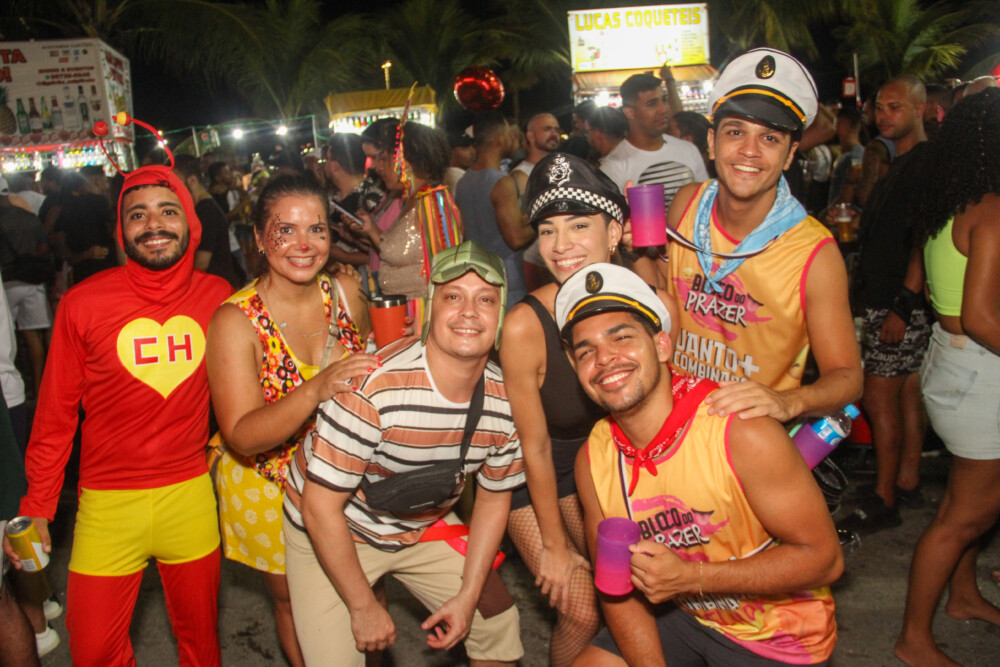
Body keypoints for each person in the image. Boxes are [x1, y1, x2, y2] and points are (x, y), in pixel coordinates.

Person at [2, 140, 232, 666]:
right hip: (106, 506)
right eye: (137, 214)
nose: (154, 225)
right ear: (120, 231)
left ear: (190, 223)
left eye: (168, 211)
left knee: (201, 648)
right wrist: (38, 505)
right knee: (92, 652)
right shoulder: (82, 303)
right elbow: (55, 414)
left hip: (190, 498)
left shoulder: (219, 296)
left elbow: (251, 386)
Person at [556, 263, 843, 666]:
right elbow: (616, 587)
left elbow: (824, 559)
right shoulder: (594, 459)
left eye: (622, 337)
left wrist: (693, 578)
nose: (605, 358)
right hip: (683, 616)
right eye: (586, 351)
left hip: (776, 634)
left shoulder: (741, 432)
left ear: (661, 346)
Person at [282, 241, 525, 666]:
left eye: (486, 300)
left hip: (419, 524)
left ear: (502, 315)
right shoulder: (373, 389)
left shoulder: (506, 403)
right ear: (429, 308)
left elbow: (492, 498)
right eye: (453, 297)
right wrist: (362, 606)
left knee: (496, 621)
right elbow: (320, 509)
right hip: (334, 529)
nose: (469, 312)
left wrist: (468, 596)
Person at [501, 151, 678, 666]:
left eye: (579, 225)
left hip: (611, 469)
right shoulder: (525, 324)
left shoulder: (654, 307)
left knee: (635, 591)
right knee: (580, 607)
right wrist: (555, 547)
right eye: (548, 230)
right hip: (540, 475)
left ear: (614, 231)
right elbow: (533, 446)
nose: (561, 245)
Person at [207, 174, 378, 666]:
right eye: (286, 230)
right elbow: (242, 434)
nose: (304, 244)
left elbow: (370, 373)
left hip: (347, 472)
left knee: (367, 588)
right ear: (259, 239)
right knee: (296, 601)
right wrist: (316, 389)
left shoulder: (347, 294)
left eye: (317, 229)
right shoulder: (234, 322)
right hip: (268, 482)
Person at [661, 48, 862, 422]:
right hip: (675, 421)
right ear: (711, 142)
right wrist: (630, 247)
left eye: (769, 138)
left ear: (789, 155)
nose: (749, 151)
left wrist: (788, 402)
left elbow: (848, 377)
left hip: (752, 438)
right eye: (735, 132)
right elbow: (663, 296)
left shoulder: (813, 253)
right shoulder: (687, 204)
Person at [894, 87, 1000, 667]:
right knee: (965, 516)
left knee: (968, 502)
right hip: (979, 369)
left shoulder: (950, 204)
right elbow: (981, 317)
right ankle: (914, 639)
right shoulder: (991, 209)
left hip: (951, 360)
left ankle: (963, 596)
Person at [841, 75, 930, 534]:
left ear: (920, 109)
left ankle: (884, 498)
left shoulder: (925, 164)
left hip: (896, 302)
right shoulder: (901, 162)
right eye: (879, 108)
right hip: (889, 298)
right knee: (906, 393)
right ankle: (906, 479)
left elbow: (923, 241)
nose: (884, 116)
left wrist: (903, 304)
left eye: (895, 107)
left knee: (878, 399)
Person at [358, 122, 462, 331]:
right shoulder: (412, 200)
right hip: (404, 317)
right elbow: (401, 252)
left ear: (404, 162)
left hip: (422, 322)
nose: (377, 167)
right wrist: (371, 230)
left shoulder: (434, 202)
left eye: (383, 158)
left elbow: (449, 276)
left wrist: (426, 327)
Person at [455, 111, 534, 310]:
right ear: (499, 140)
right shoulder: (501, 182)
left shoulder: (464, 181)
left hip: (478, 278)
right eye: (509, 134)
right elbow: (516, 239)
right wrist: (541, 219)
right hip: (507, 282)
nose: (513, 139)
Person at [599, 72, 708, 210]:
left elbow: (706, 204)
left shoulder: (689, 150)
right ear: (630, 112)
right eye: (652, 104)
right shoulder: (613, 167)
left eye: (664, 100)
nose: (663, 109)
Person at [173, 154, 242, 289]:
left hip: (217, 289)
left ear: (192, 180)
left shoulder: (205, 211)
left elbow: (202, 263)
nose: (173, 189)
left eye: (176, 182)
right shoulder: (203, 208)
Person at [511, 112, 562, 194]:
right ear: (531, 136)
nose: (554, 134)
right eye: (547, 129)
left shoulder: (562, 170)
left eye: (557, 130)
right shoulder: (521, 176)